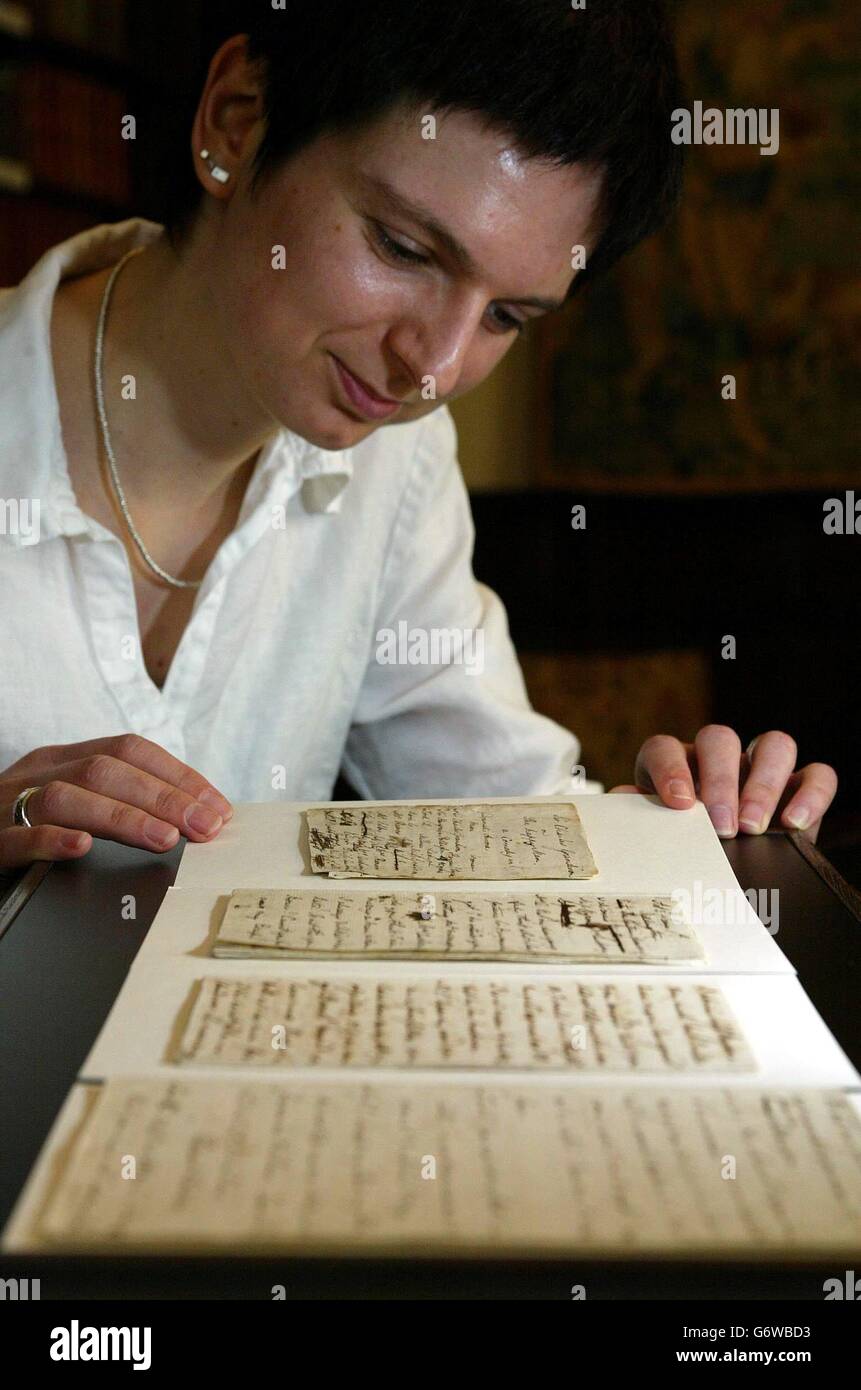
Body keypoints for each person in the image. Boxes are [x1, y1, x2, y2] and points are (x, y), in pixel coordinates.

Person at [0, 1, 836, 870]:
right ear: (238, 122)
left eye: (506, 316)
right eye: (402, 247)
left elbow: (504, 808)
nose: (432, 367)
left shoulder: (390, 461)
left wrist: (668, 827)